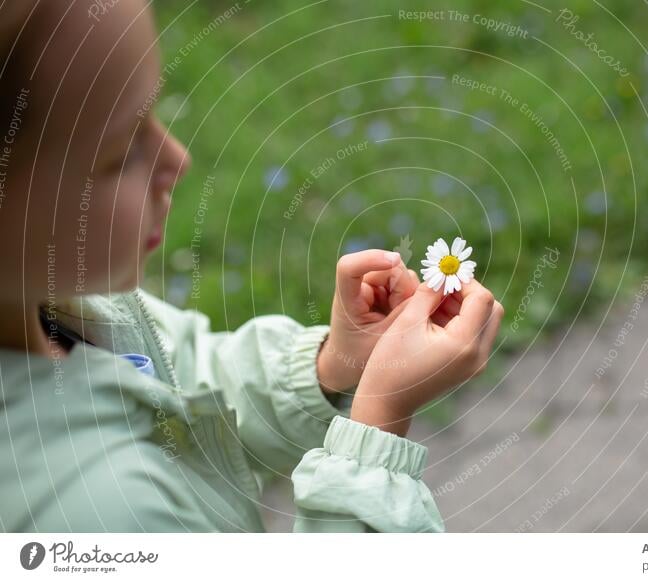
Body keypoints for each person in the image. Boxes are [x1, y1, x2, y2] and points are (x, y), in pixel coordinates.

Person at [0, 0, 504, 532]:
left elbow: (184, 380)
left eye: (156, 114)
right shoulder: (95, 515)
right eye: (123, 151)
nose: (177, 158)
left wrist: (333, 365)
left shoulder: (66, 305)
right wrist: (376, 429)